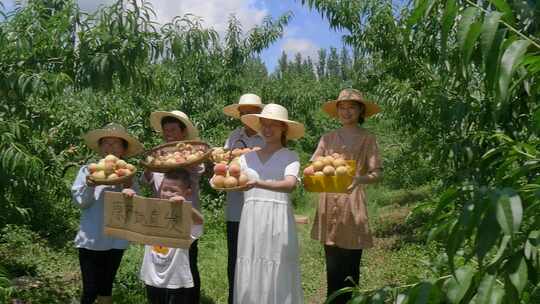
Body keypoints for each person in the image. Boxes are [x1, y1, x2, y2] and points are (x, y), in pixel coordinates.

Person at [310, 89, 383, 304]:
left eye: (352, 107)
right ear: (337, 111)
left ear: (361, 110)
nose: (346, 111)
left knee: (350, 265)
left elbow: (377, 172)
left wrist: (359, 179)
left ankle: (350, 300)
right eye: (342, 107)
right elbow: (314, 165)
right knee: (332, 265)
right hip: (328, 202)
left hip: (353, 204)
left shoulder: (368, 138)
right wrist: (315, 171)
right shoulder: (328, 138)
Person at [234, 103, 305, 304]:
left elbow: (290, 185)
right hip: (252, 218)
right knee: (251, 262)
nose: (267, 129)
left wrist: (258, 183)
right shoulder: (245, 158)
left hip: (278, 219)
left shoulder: (290, 156)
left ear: (284, 128)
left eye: (273, 124)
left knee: (278, 264)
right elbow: (233, 181)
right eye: (264, 124)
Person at [71, 123, 144, 304]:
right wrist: (89, 185)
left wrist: (129, 190)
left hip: (116, 238)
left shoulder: (128, 173)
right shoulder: (89, 170)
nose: (110, 147)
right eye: (106, 143)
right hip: (91, 238)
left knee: (106, 286)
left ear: (123, 150)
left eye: (115, 143)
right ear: (100, 147)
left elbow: (136, 206)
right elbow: (82, 202)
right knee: (89, 289)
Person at [143, 110, 203, 303]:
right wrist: (150, 166)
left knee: (187, 262)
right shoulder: (157, 154)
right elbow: (146, 181)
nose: (169, 133)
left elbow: (196, 172)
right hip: (161, 216)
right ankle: (161, 293)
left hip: (186, 217)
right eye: (166, 129)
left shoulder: (192, 154)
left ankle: (189, 299)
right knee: (161, 257)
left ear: (183, 132)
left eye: (173, 129)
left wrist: (183, 159)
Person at [123, 169, 204, 304]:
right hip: (152, 276)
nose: (167, 194)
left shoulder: (186, 217)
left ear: (187, 192)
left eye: (173, 191)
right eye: (165, 189)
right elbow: (131, 218)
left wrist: (186, 206)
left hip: (176, 279)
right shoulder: (152, 212)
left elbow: (199, 222)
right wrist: (129, 196)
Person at [222, 93, 265, 304]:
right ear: (239, 114)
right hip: (236, 209)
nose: (248, 115)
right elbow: (222, 166)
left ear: (259, 114)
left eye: (252, 112)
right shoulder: (233, 137)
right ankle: (235, 298)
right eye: (244, 112)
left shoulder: (268, 136)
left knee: (259, 258)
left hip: (260, 207)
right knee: (235, 259)